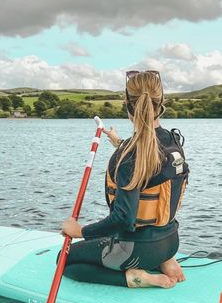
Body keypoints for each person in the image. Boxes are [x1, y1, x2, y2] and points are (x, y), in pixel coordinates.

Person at [61, 70, 189, 289]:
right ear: (161, 103)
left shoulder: (128, 157)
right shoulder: (173, 141)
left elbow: (123, 220)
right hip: (170, 242)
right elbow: (150, 163)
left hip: (137, 251)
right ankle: (165, 260)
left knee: (66, 261)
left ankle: (138, 277)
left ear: (128, 105)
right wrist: (119, 142)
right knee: (98, 240)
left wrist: (79, 231)